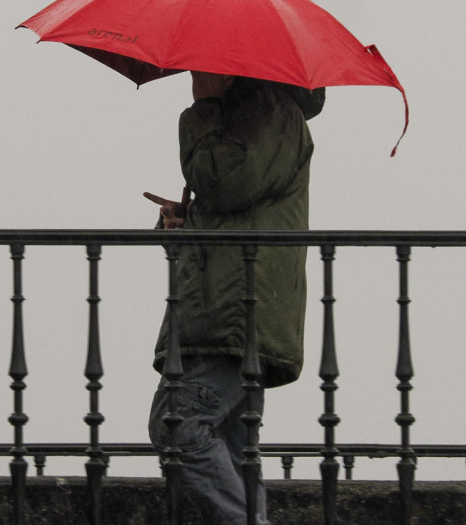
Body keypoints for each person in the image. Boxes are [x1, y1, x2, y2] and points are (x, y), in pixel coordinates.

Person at [144, 71, 325, 524]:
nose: (194, 73)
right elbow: (233, 203)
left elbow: (226, 180)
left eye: (201, 66)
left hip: (240, 312)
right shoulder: (249, 115)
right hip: (226, 310)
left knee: (177, 423)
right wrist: (187, 222)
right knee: (231, 444)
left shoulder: (272, 112)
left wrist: (203, 107)